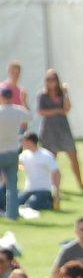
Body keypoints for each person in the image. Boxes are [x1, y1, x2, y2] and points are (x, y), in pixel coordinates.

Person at [0, 86, 31, 221]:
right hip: (13, 151)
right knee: (12, 185)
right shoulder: (18, 111)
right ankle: (13, 214)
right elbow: (29, 117)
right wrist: (24, 101)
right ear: (11, 97)